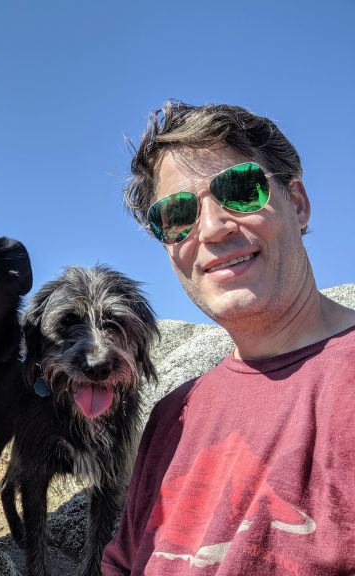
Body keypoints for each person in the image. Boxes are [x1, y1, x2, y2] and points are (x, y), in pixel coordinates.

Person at [101, 100, 355, 574]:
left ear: (298, 204)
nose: (212, 229)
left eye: (239, 189)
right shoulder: (172, 417)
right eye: (177, 214)